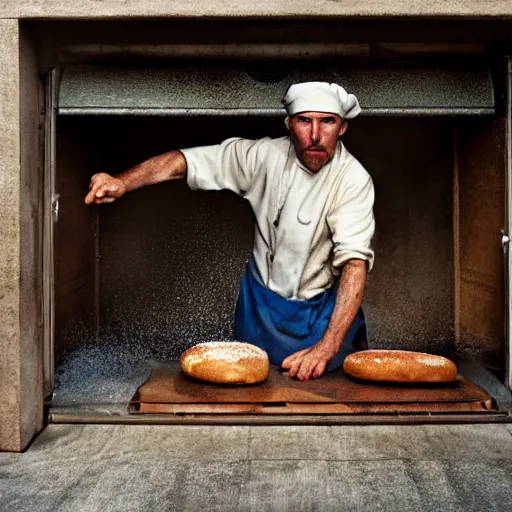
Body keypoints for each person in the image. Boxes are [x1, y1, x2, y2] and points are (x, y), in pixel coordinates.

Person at [85, 81, 375, 381]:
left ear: (342, 127)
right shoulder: (262, 156)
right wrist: (122, 182)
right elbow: (183, 162)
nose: (315, 136)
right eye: (305, 121)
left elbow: (355, 263)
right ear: (289, 123)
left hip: (321, 319)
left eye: (327, 122)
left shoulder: (353, 180)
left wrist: (326, 347)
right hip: (259, 308)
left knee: (324, 402)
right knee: (250, 396)